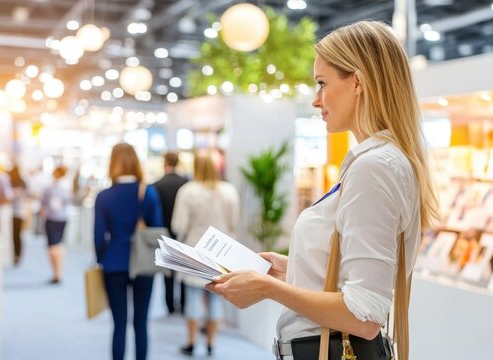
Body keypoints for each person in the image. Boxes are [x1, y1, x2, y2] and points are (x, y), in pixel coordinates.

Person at [206, 21, 438, 359]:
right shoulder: (378, 161)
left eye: (322, 84)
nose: (316, 101)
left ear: (357, 82)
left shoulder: (374, 167)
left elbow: (365, 313)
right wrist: (294, 269)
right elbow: (353, 276)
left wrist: (268, 288)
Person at [94, 143, 163, 360]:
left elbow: (98, 236)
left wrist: (101, 258)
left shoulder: (104, 196)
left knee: (119, 324)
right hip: (143, 263)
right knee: (141, 323)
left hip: (114, 263)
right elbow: (157, 231)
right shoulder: (148, 193)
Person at [171, 152, 239, 356]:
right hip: (221, 253)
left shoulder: (188, 191)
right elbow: (234, 223)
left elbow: (178, 225)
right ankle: (211, 343)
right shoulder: (229, 191)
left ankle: (191, 342)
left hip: (195, 250)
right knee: (217, 299)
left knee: (192, 299)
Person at [152, 151, 188, 314]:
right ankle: (184, 303)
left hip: (164, 232)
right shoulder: (186, 183)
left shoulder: (156, 185)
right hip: (183, 233)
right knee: (186, 268)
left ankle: (169, 305)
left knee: (168, 271)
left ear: (164, 163)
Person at [41, 166, 70, 284]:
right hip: (62, 218)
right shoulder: (66, 187)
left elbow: (43, 202)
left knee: (53, 246)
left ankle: (57, 273)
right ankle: (58, 272)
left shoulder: (52, 188)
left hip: (53, 218)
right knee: (57, 244)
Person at [8, 165, 27, 266]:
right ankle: (15, 254)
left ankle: (17, 254)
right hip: (14, 213)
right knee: (15, 234)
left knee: (16, 235)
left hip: (18, 213)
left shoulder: (20, 183)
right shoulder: (15, 183)